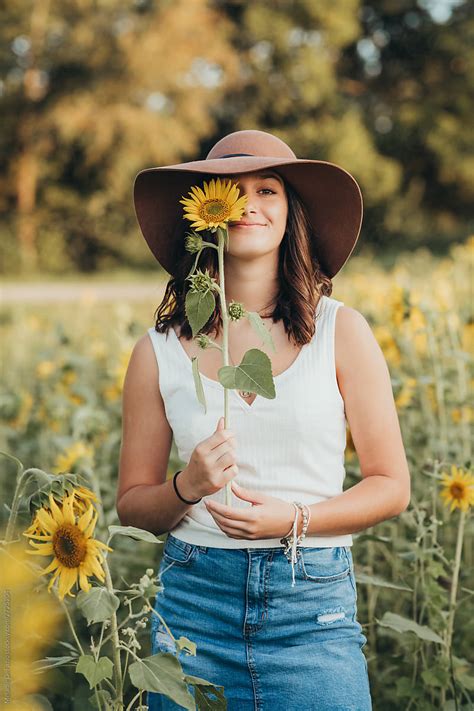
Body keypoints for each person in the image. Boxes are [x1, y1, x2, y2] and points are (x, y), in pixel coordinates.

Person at [117, 129, 411, 710]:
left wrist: (293, 519)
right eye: (230, 191)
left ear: (290, 213)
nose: (249, 204)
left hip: (312, 605)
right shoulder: (159, 350)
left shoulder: (340, 331)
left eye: (268, 190)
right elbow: (133, 504)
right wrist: (187, 487)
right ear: (205, 216)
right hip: (195, 607)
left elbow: (391, 487)